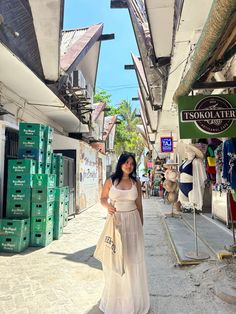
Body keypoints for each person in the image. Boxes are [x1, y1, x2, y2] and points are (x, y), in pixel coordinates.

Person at [99, 152, 150, 314]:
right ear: (121, 163)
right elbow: (102, 198)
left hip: (133, 223)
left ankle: (133, 300)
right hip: (116, 224)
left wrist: (140, 227)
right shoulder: (111, 181)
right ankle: (116, 301)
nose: (129, 166)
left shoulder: (136, 182)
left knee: (132, 261)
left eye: (132, 164)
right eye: (126, 162)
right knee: (116, 260)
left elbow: (139, 205)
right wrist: (108, 206)